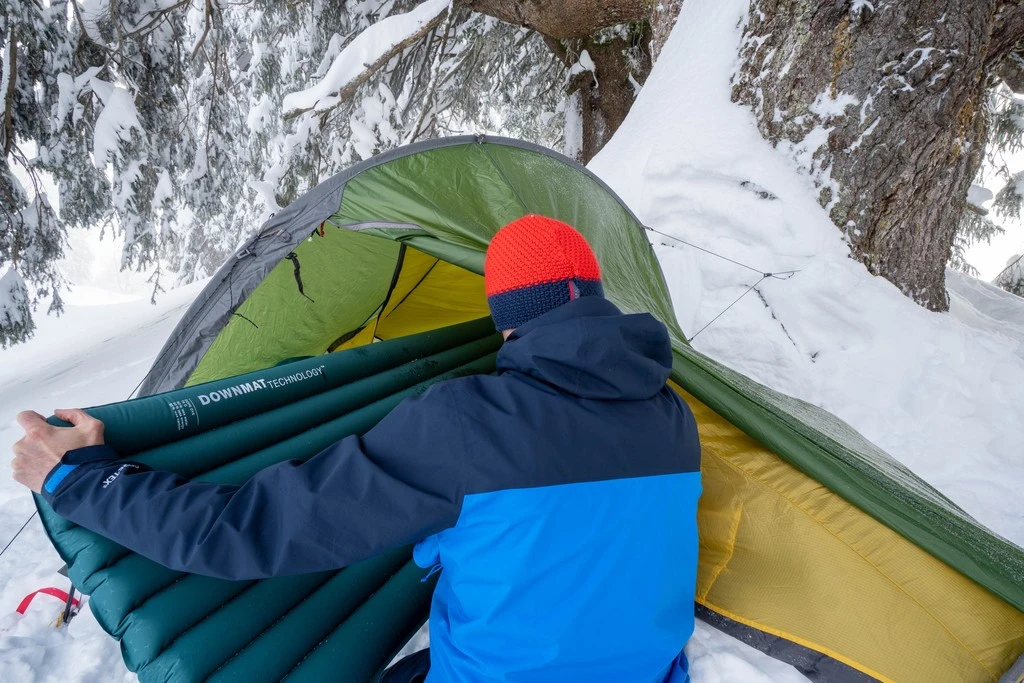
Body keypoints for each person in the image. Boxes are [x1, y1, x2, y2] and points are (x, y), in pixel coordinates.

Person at [12, 214, 702, 683]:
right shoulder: (673, 418)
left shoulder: (468, 424)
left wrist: (78, 478)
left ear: (506, 320)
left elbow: (245, 532)